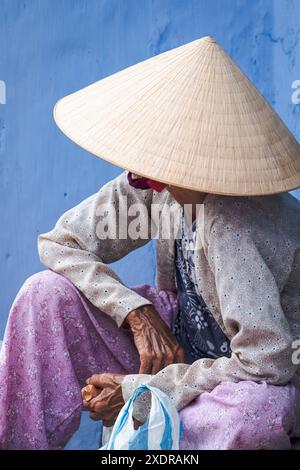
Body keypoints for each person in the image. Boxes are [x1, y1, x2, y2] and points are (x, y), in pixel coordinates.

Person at [1, 35, 300, 450]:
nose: (144, 183)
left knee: (253, 411)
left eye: (154, 177)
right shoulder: (157, 187)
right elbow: (61, 243)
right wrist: (135, 313)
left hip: (254, 375)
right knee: (44, 294)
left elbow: (267, 362)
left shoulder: (235, 225)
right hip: (180, 345)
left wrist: (142, 390)